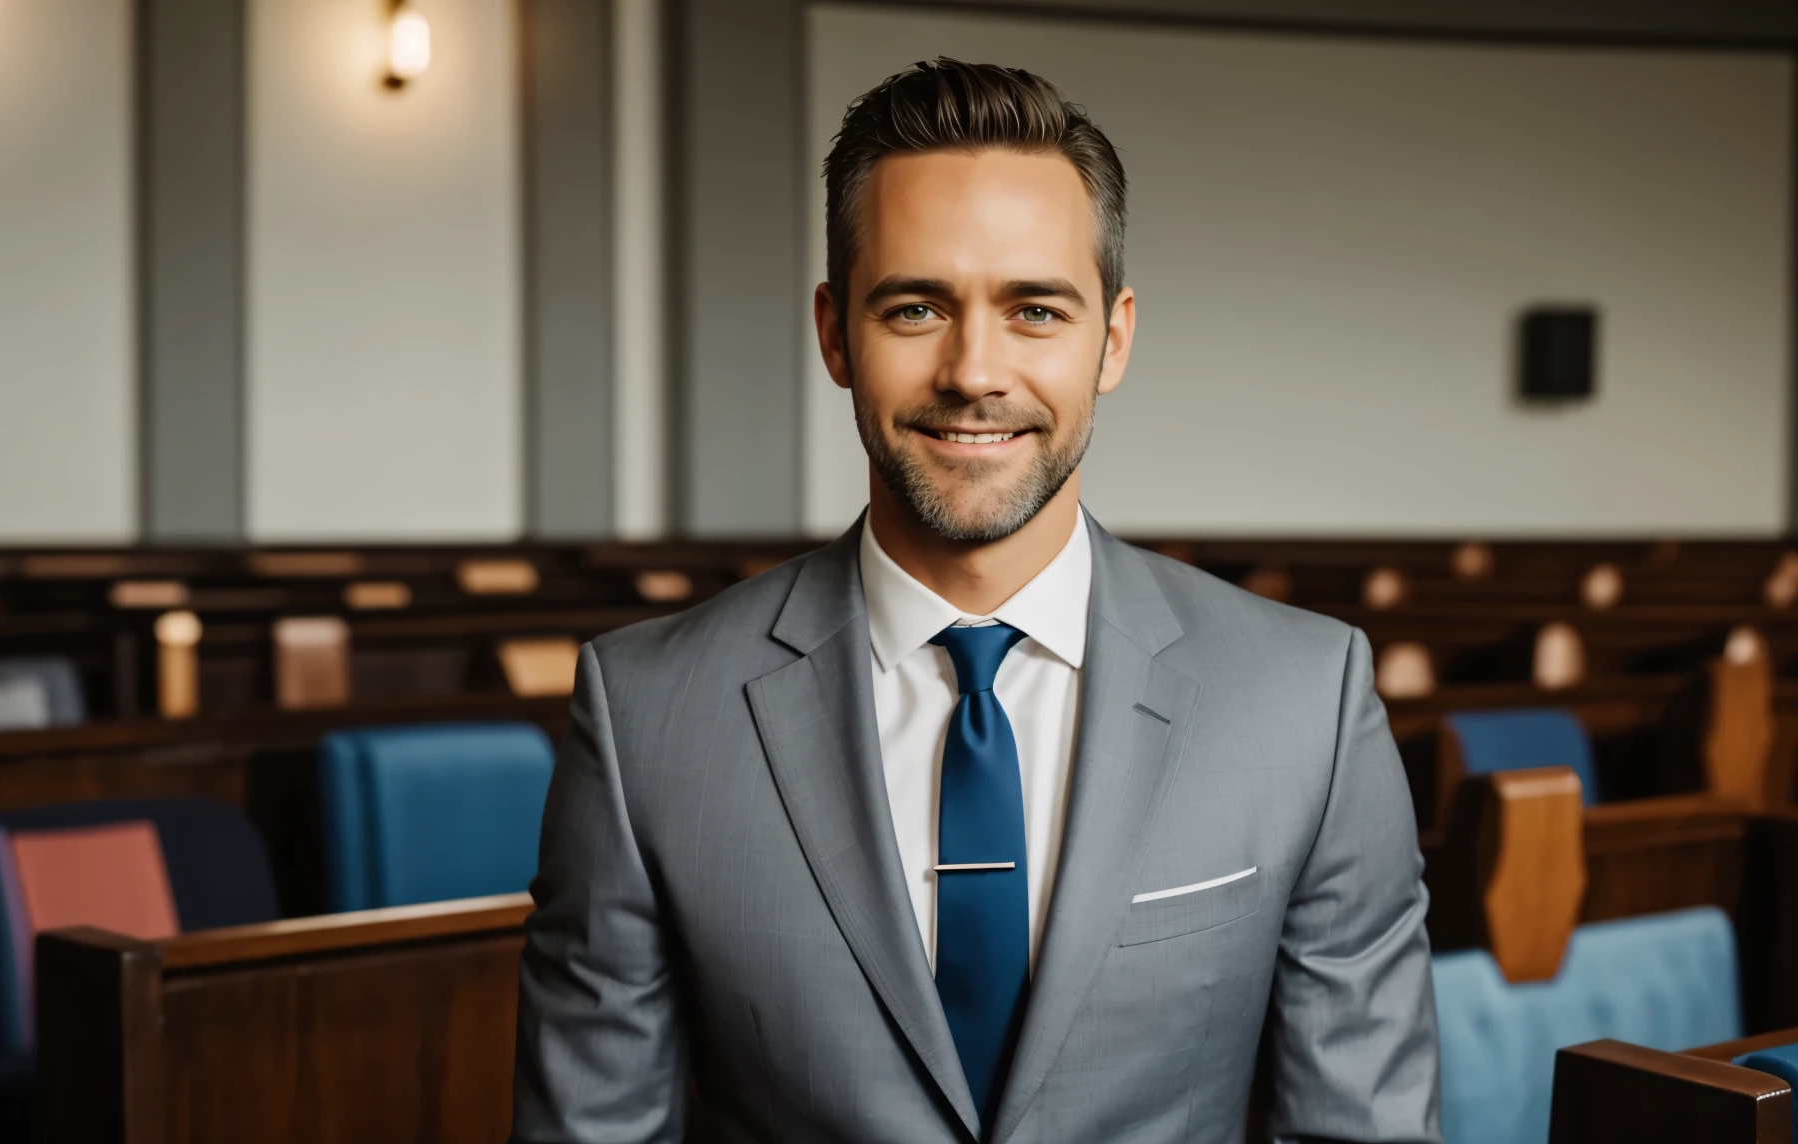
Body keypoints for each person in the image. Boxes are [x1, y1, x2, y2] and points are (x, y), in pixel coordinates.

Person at [513, 58, 1440, 1144]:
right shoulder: (644, 714)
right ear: (833, 333)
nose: (974, 370)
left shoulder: (1305, 700)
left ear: (1115, 337)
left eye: (1035, 310)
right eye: (916, 307)